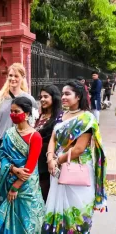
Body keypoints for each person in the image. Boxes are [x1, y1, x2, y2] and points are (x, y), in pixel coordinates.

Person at [42, 81, 107, 233]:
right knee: (58, 205)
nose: (63, 97)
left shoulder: (86, 119)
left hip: (77, 168)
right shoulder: (61, 116)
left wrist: (56, 161)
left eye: (67, 94)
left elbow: (78, 149)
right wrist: (50, 158)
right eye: (62, 93)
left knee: (78, 207)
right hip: (58, 168)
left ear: (78, 97)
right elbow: (53, 138)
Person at [0, 96, 45, 233]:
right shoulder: (9, 134)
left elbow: (30, 167)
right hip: (10, 177)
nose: (13, 114)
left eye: (16, 111)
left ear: (26, 114)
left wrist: (15, 187)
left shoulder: (35, 136)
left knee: (29, 220)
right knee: (12, 218)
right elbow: (3, 156)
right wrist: (13, 169)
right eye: (11, 111)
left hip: (27, 185)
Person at [0, 63, 38, 210]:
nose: (13, 78)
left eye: (16, 76)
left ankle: (16, 219)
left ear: (22, 77)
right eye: (10, 75)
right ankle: (1, 219)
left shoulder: (29, 99)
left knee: (18, 183)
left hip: (20, 148)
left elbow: (33, 125)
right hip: (0, 145)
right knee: (0, 183)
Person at [34, 85, 62, 202]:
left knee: (46, 190)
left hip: (48, 159)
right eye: (41, 97)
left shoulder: (60, 117)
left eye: (46, 96)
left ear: (54, 98)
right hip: (36, 158)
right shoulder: (40, 115)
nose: (42, 99)